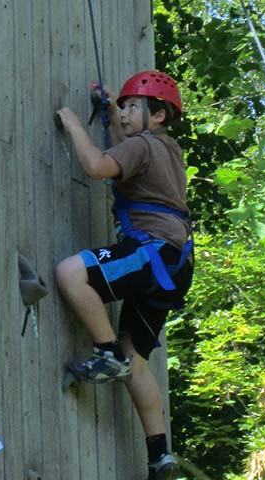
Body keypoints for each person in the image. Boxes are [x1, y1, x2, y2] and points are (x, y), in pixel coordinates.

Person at [55, 70, 194, 480]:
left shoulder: (146, 144)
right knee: (136, 356)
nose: (127, 113)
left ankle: (105, 353)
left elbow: (100, 165)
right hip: (175, 265)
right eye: (127, 106)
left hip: (152, 254)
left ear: (160, 116)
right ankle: (159, 454)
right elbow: (125, 154)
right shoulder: (167, 150)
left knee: (70, 272)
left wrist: (75, 125)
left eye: (136, 107)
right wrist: (114, 112)